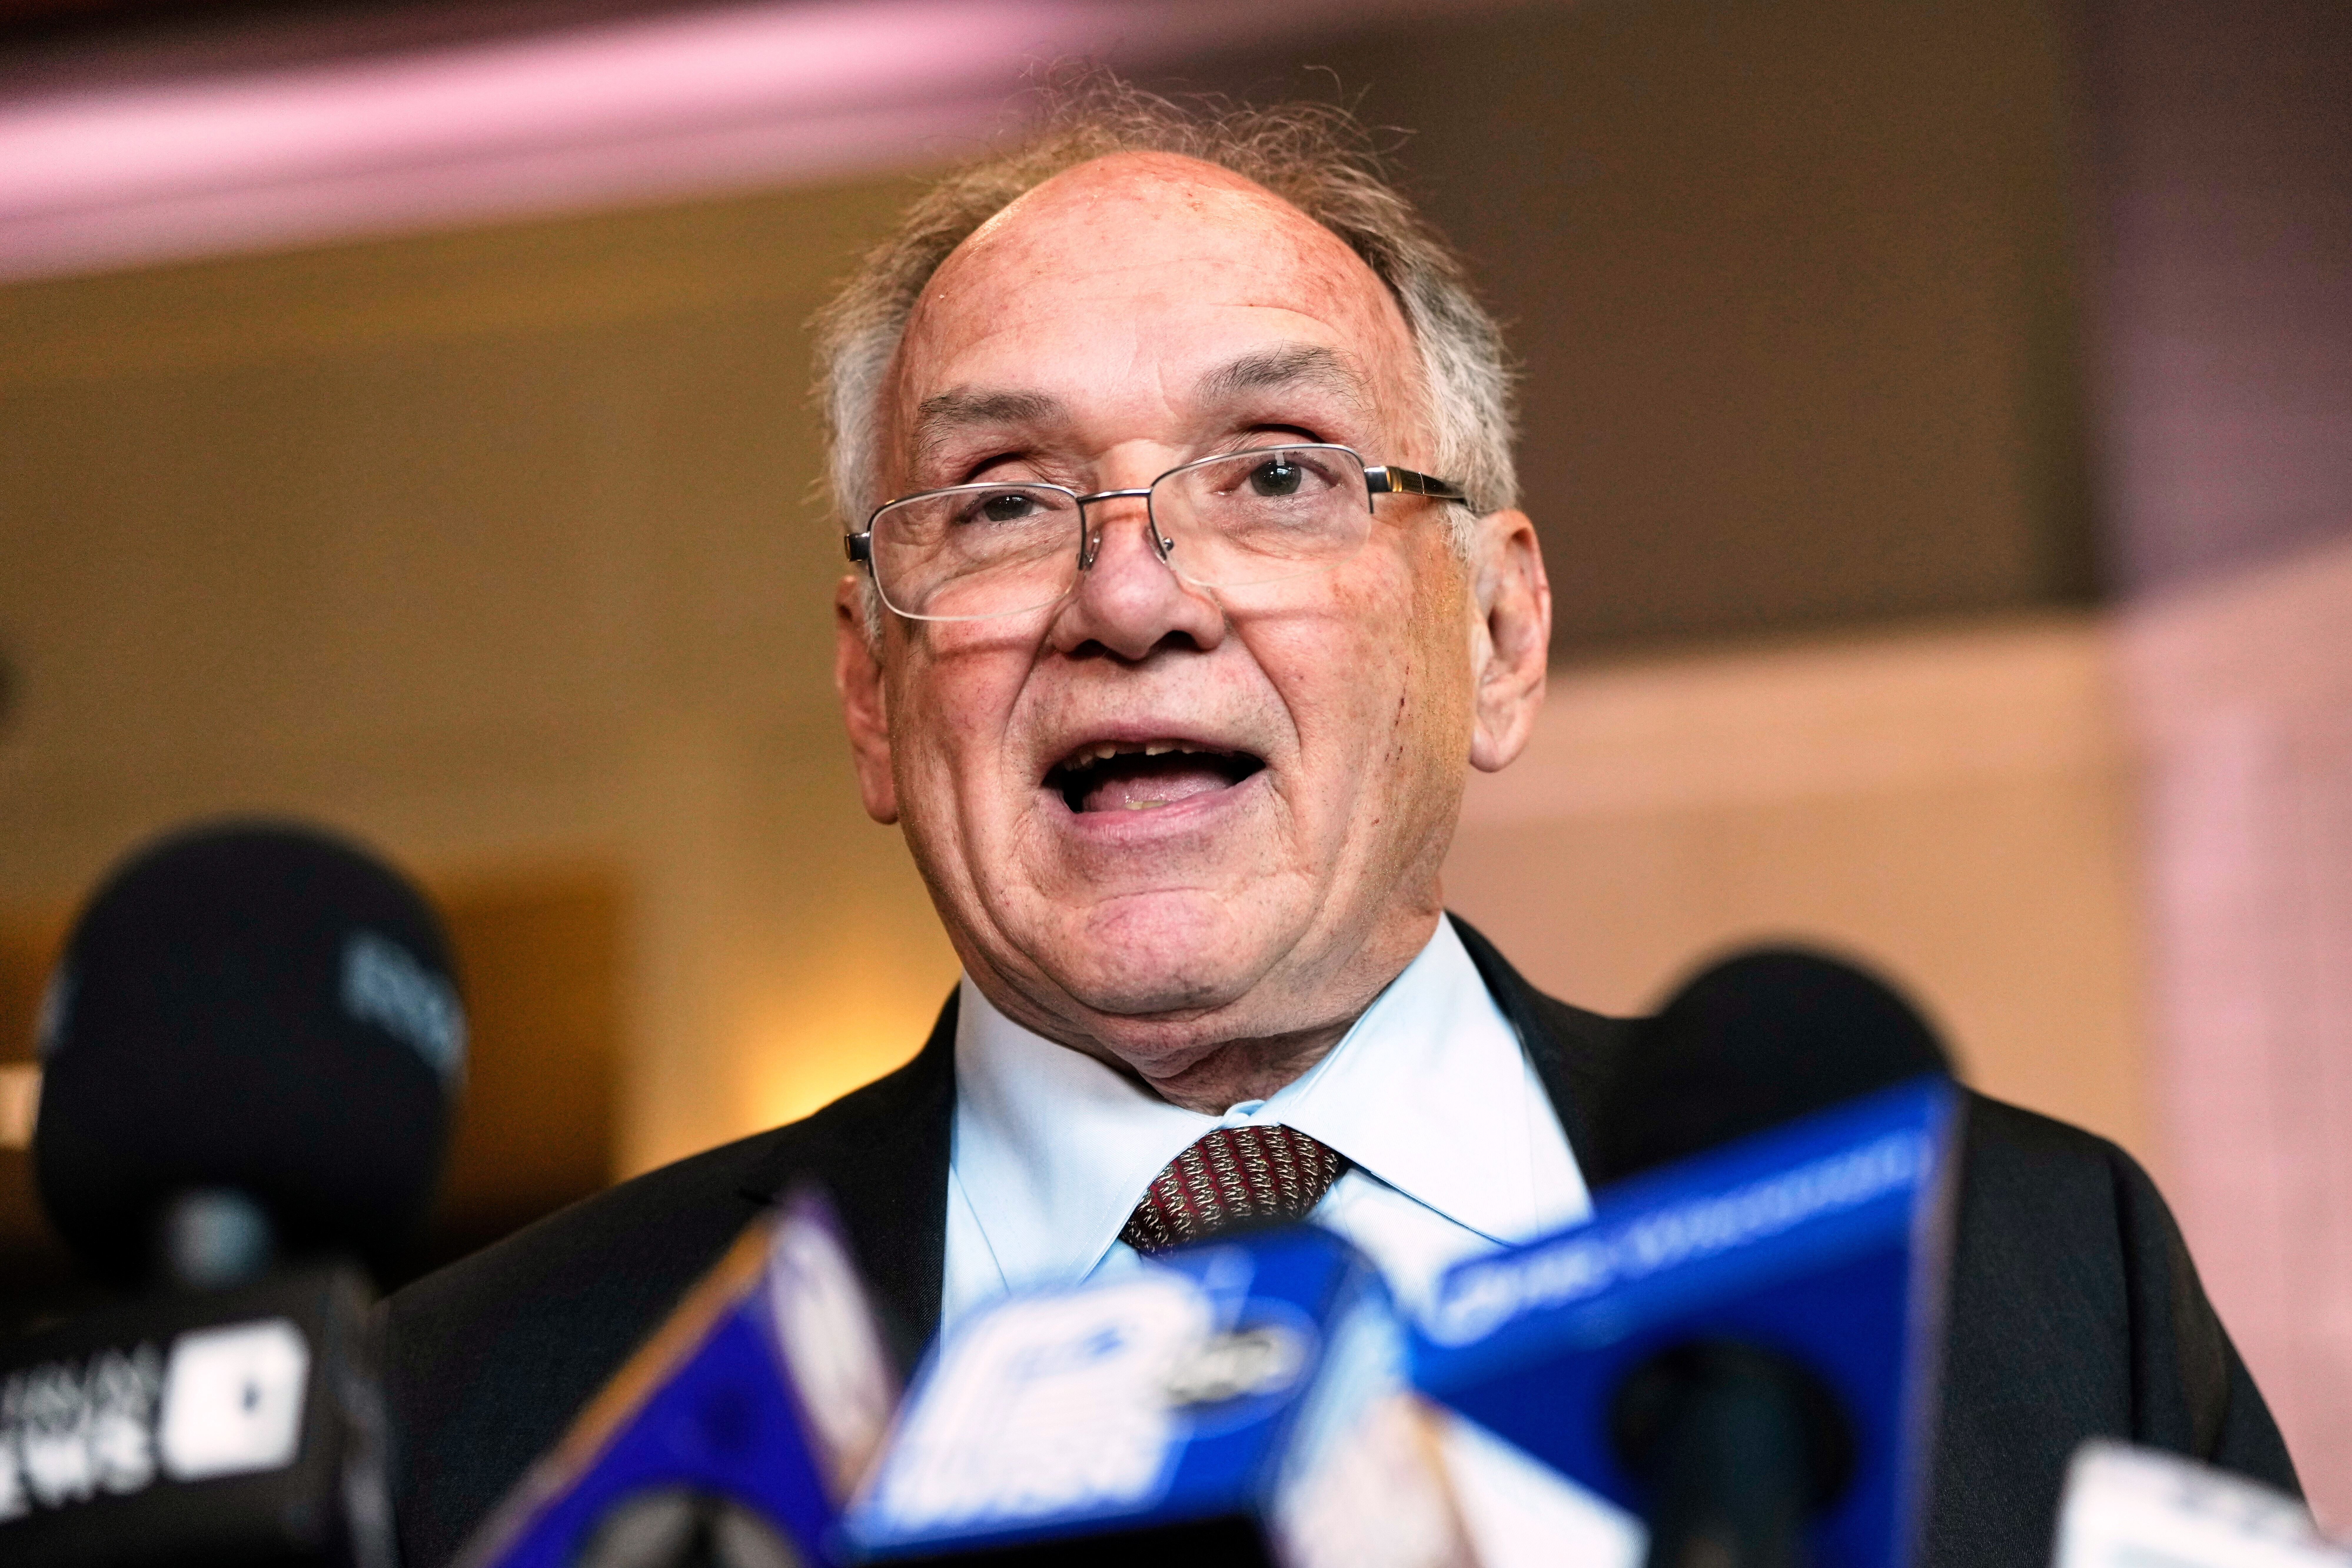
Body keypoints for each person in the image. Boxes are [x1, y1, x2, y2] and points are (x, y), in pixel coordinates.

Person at [380, 82, 2297, 1568]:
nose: (1131, 596)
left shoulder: (2039, 1276)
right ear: (873, 690)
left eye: (1277, 473)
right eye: (1000, 499)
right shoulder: (495, 1406)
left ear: (1499, 628)